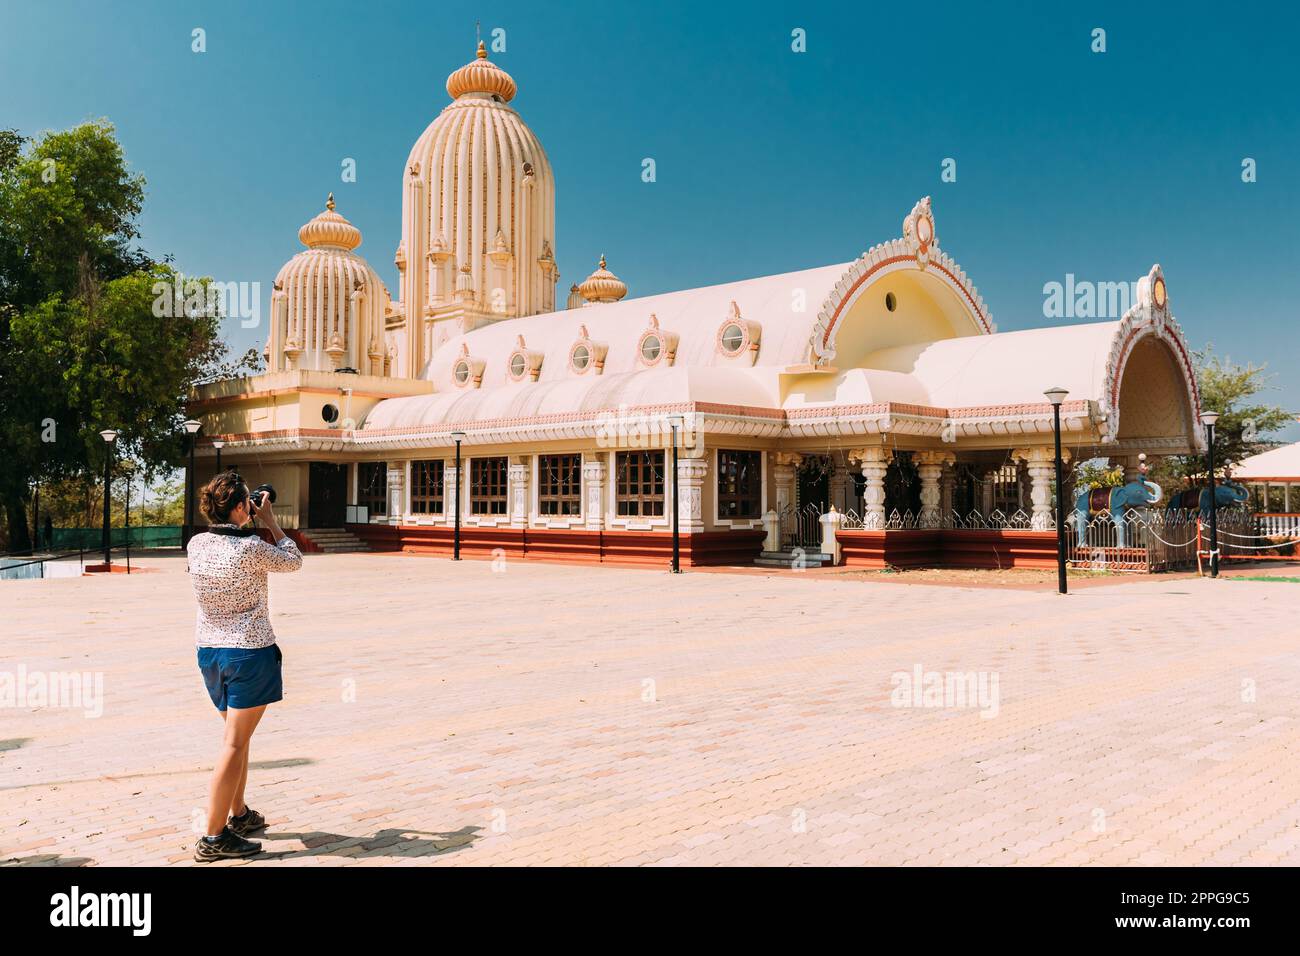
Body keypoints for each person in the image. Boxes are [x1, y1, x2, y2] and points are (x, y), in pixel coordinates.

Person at [187, 471, 302, 861]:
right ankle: (214, 836)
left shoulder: (196, 544)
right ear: (240, 507)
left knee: (237, 739)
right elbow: (294, 561)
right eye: (246, 504)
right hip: (249, 653)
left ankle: (239, 814)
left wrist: (245, 519)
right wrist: (268, 518)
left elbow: (224, 540)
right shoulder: (251, 547)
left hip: (210, 653)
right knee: (234, 743)